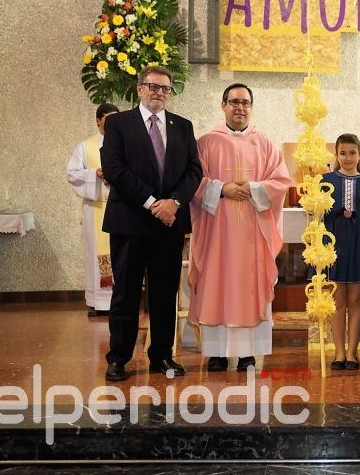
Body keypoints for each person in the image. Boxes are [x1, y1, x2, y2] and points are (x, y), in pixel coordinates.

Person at [100, 66, 203, 382]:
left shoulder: (182, 126)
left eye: (165, 88)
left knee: (164, 293)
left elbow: (194, 171)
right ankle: (119, 358)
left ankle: (162, 355)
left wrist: (174, 202)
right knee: (126, 293)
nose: (159, 92)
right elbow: (114, 169)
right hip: (129, 221)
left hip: (168, 223)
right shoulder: (119, 124)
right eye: (152, 86)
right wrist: (151, 203)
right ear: (140, 88)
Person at [188, 83, 290, 372]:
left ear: (251, 107)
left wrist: (254, 188)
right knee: (216, 285)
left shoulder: (265, 144)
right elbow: (192, 180)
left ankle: (248, 354)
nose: (239, 107)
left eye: (245, 102)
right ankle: (217, 354)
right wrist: (222, 188)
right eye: (234, 102)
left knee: (248, 288)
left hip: (251, 234)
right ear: (223, 105)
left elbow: (281, 181)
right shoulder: (206, 143)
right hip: (216, 232)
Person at [320, 134, 360, 371]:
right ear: (336, 155)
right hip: (334, 243)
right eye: (343, 153)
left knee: (356, 299)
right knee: (338, 299)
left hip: (359, 243)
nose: (347, 158)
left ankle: (353, 353)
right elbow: (318, 214)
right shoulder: (326, 180)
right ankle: (339, 352)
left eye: (352, 153)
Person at [67, 102, 119, 316]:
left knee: (121, 254)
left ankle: (120, 300)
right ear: (98, 121)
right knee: (96, 254)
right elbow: (72, 174)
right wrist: (94, 174)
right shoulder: (85, 146)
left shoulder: (126, 143)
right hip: (96, 207)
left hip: (121, 207)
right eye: (108, 119)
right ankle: (99, 301)